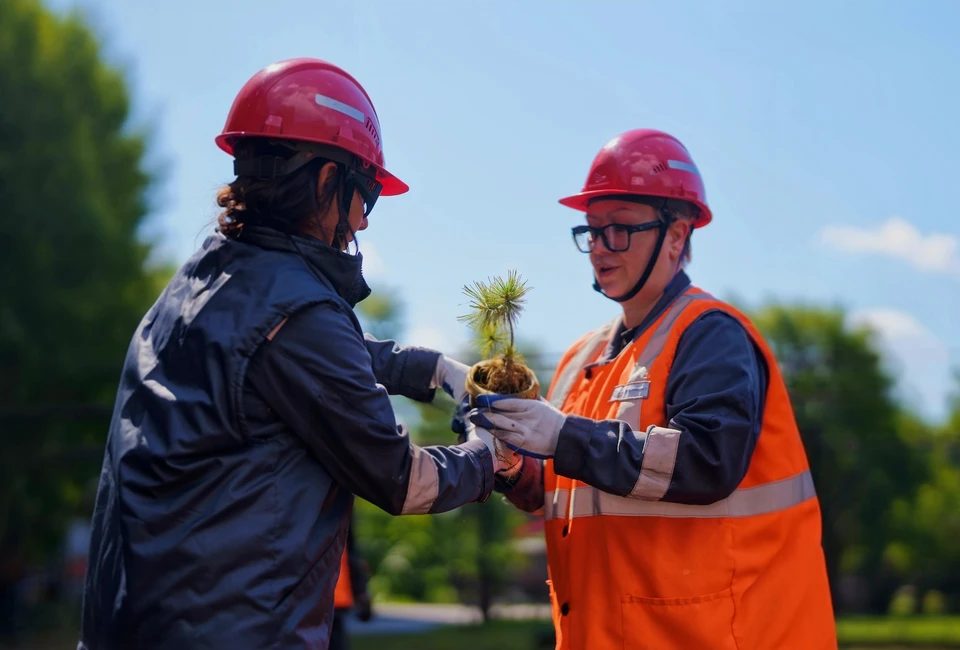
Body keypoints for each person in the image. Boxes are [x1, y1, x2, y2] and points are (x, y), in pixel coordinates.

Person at [77, 57, 509, 650]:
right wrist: (489, 455)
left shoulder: (203, 283)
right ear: (327, 180)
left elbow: (318, 354)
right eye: (366, 195)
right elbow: (404, 481)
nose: (361, 220)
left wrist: (437, 371)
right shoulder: (299, 314)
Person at [466, 129, 838, 649]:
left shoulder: (711, 335)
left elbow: (708, 459)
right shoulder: (581, 358)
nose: (599, 248)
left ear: (677, 236)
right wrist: (513, 468)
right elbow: (566, 495)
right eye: (591, 231)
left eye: (618, 229)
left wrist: (563, 437)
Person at [329, 515, 373, 650]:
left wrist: (361, 590)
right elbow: (352, 552)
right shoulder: (339, 501)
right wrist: (362, 591)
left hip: (331, 594)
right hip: (334, 593)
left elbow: (352, 552)